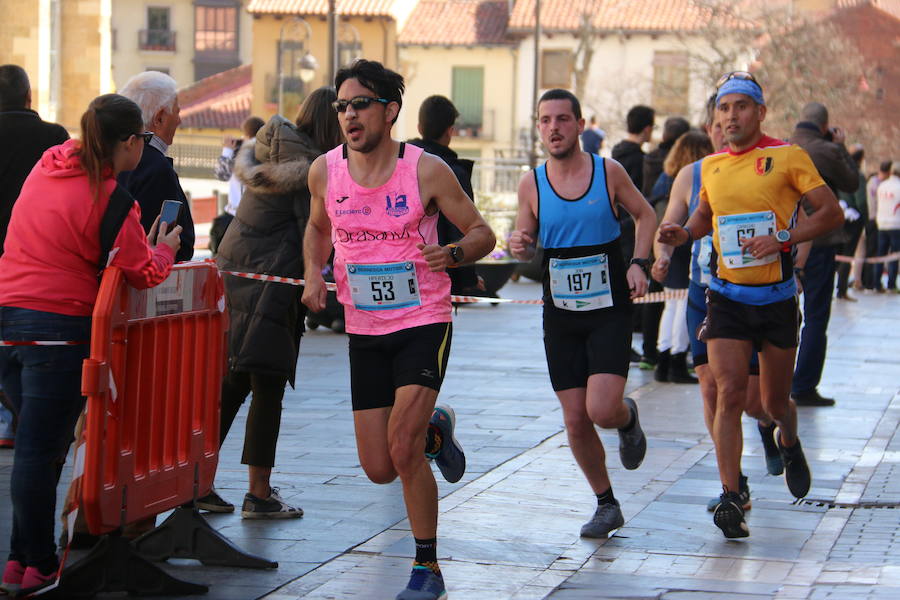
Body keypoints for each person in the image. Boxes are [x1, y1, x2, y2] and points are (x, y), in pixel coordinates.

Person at [301, 60, 495, 600]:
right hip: (365, 328)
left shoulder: (426, 170)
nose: (348, 115)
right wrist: (312, 274)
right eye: (341, 106)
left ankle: (427, 567)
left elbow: (484, 233)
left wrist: (452, 251)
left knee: (403, 450)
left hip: (423, 321)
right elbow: (317, 230)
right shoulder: (325, 171)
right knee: (379, 467)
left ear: (390, 111)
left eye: (360, 104)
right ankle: (436, 429)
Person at [0, 93, 180, 594]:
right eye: (143, 140)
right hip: (57, 330)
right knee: (39, 453)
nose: (144, 148)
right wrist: (165, 247)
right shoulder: (113, 201)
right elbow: (143, 272)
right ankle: (35, 563)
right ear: (128, 142)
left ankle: (21, 561)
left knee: (41, 450)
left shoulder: (47, 166)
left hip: (8, 321)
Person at [658, 72, 843, 539]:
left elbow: (830, 213)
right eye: (724, 108)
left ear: (760, 112)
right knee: (727, 394)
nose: (731, 116)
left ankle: (790, 438)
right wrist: (683, 234)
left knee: (773, 402)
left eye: (741, 106)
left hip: (777, 300)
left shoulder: (787, 157)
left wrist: (783, 238)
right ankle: (730, 495)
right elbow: (703, 216)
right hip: (726, 299)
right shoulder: (714, 167)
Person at [509, 89, 654, 540]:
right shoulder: (531, 182)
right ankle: (606, 503)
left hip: (608, 309)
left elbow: (645, 216)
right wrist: (519, 243)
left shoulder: (607, 172)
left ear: (579, 124)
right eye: (545, 120)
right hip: (561, 315)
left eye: (562, 119)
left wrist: (638, 263)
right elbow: (526, 235)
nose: (554, 127)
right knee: (574, 418)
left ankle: (626, 419)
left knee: (602, 408)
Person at [198, 88, 344, 518]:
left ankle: (197, 482)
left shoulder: (273, 152)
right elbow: (316, 235)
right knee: (267, 388)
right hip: (268, 288)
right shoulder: (310, 172)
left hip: (238, 279)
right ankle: (258, 494)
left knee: (234, 385)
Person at [653, 95, 798, 514]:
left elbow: (788, 220)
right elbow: (675, 223)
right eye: (718, 121)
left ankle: (772, 427)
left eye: (735, 117)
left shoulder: (767, 168)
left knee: (757, 400)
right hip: (707, 294)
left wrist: (789, 257)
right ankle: (732, 485)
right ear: (711, 127)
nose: (726, 129)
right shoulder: (694, 174)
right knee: (714, 389)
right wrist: (663, 257)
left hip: (760, 294)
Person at [0, 65, 70, 451]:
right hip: (35, 263)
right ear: (29, 98)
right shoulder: (53, 137)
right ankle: (18, 421)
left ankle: (10, 418)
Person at [789, 102, 858, 408]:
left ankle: (771, 380)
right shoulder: (825, 150)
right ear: (825, 125)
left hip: (782, 237)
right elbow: (852, 182)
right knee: (816, 315)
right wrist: (841, 147)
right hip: (818, 239)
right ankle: (803, 385)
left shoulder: (784, 146)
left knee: (778, 311)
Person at [649, 129, 709, 384]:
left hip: (669, 246)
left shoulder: (667, 177)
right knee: (681, 304)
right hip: (684, 247)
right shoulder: (692, 178)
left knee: (671, 306)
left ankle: (664, 359)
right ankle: (676, 361)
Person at [407, 95, 482, 296]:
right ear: (450, 131)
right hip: (438, 272)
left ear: (419, 128)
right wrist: (468, 279)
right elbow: (462, 229)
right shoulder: (453, 171)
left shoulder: (399, 164)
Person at [117, 71, 195, 262]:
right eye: (177, 111)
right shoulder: (154, 169)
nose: (179, 120)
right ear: (159, 118)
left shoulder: (112, 156)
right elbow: (170, 241)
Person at [209, 115, 266, 254]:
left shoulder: (239, 153)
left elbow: (222, 175)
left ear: (245, 134)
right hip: (257, 216)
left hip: (234, 215)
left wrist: (227, 150)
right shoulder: (267, 153)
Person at [835, 145, 867, 300]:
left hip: (839, 215)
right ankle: (841, 289)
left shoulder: (839, 173)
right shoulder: (857, 176)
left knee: (837, 254)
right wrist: (866, 219)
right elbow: (861, 201)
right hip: (853, 218)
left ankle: (835, 288)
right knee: (847, 255)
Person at [862, 161, 892, 290]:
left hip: (877, 219)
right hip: (873, 220)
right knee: (872, 250)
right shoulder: (875, 183)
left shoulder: (877, 183)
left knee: (874, 250)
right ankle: (869, 281)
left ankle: (870, 280)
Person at [874, 162, 900, 292]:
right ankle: (891, 284)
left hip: (882, 223)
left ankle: (876, 283)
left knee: (881, 254)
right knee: (894, 256)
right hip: (896, 224)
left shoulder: (882, 186)